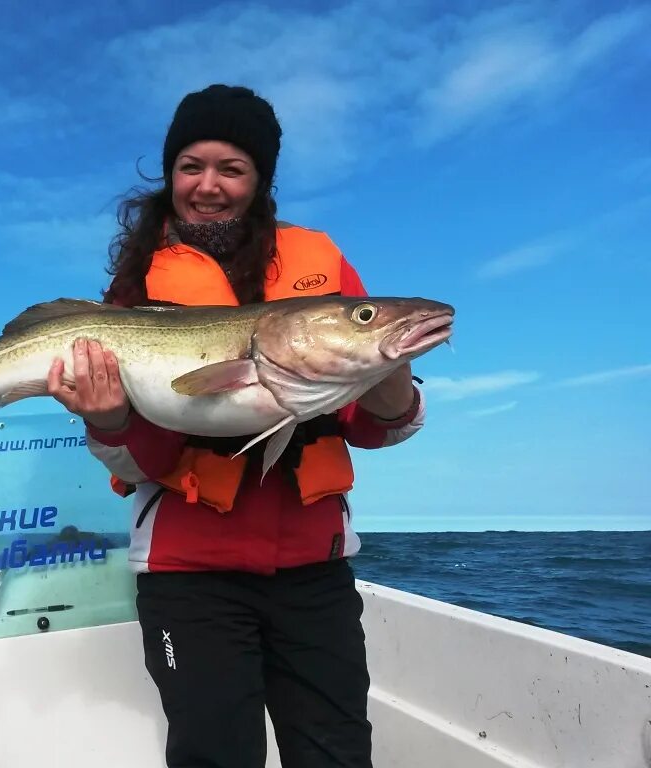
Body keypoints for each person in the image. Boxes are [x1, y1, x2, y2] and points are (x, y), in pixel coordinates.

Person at [46, 84, 425, 768]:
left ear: (261, 181)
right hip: (190, 576)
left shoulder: (322, 265)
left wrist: (387, 370)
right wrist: (108, 421)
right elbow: (140, 462)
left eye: (232, 168)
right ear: (170, 176)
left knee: (337, 752)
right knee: (215, 756)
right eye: (192, 166)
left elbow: (371, 427)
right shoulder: (137, 292)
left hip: (315, 571)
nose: (209, 186)